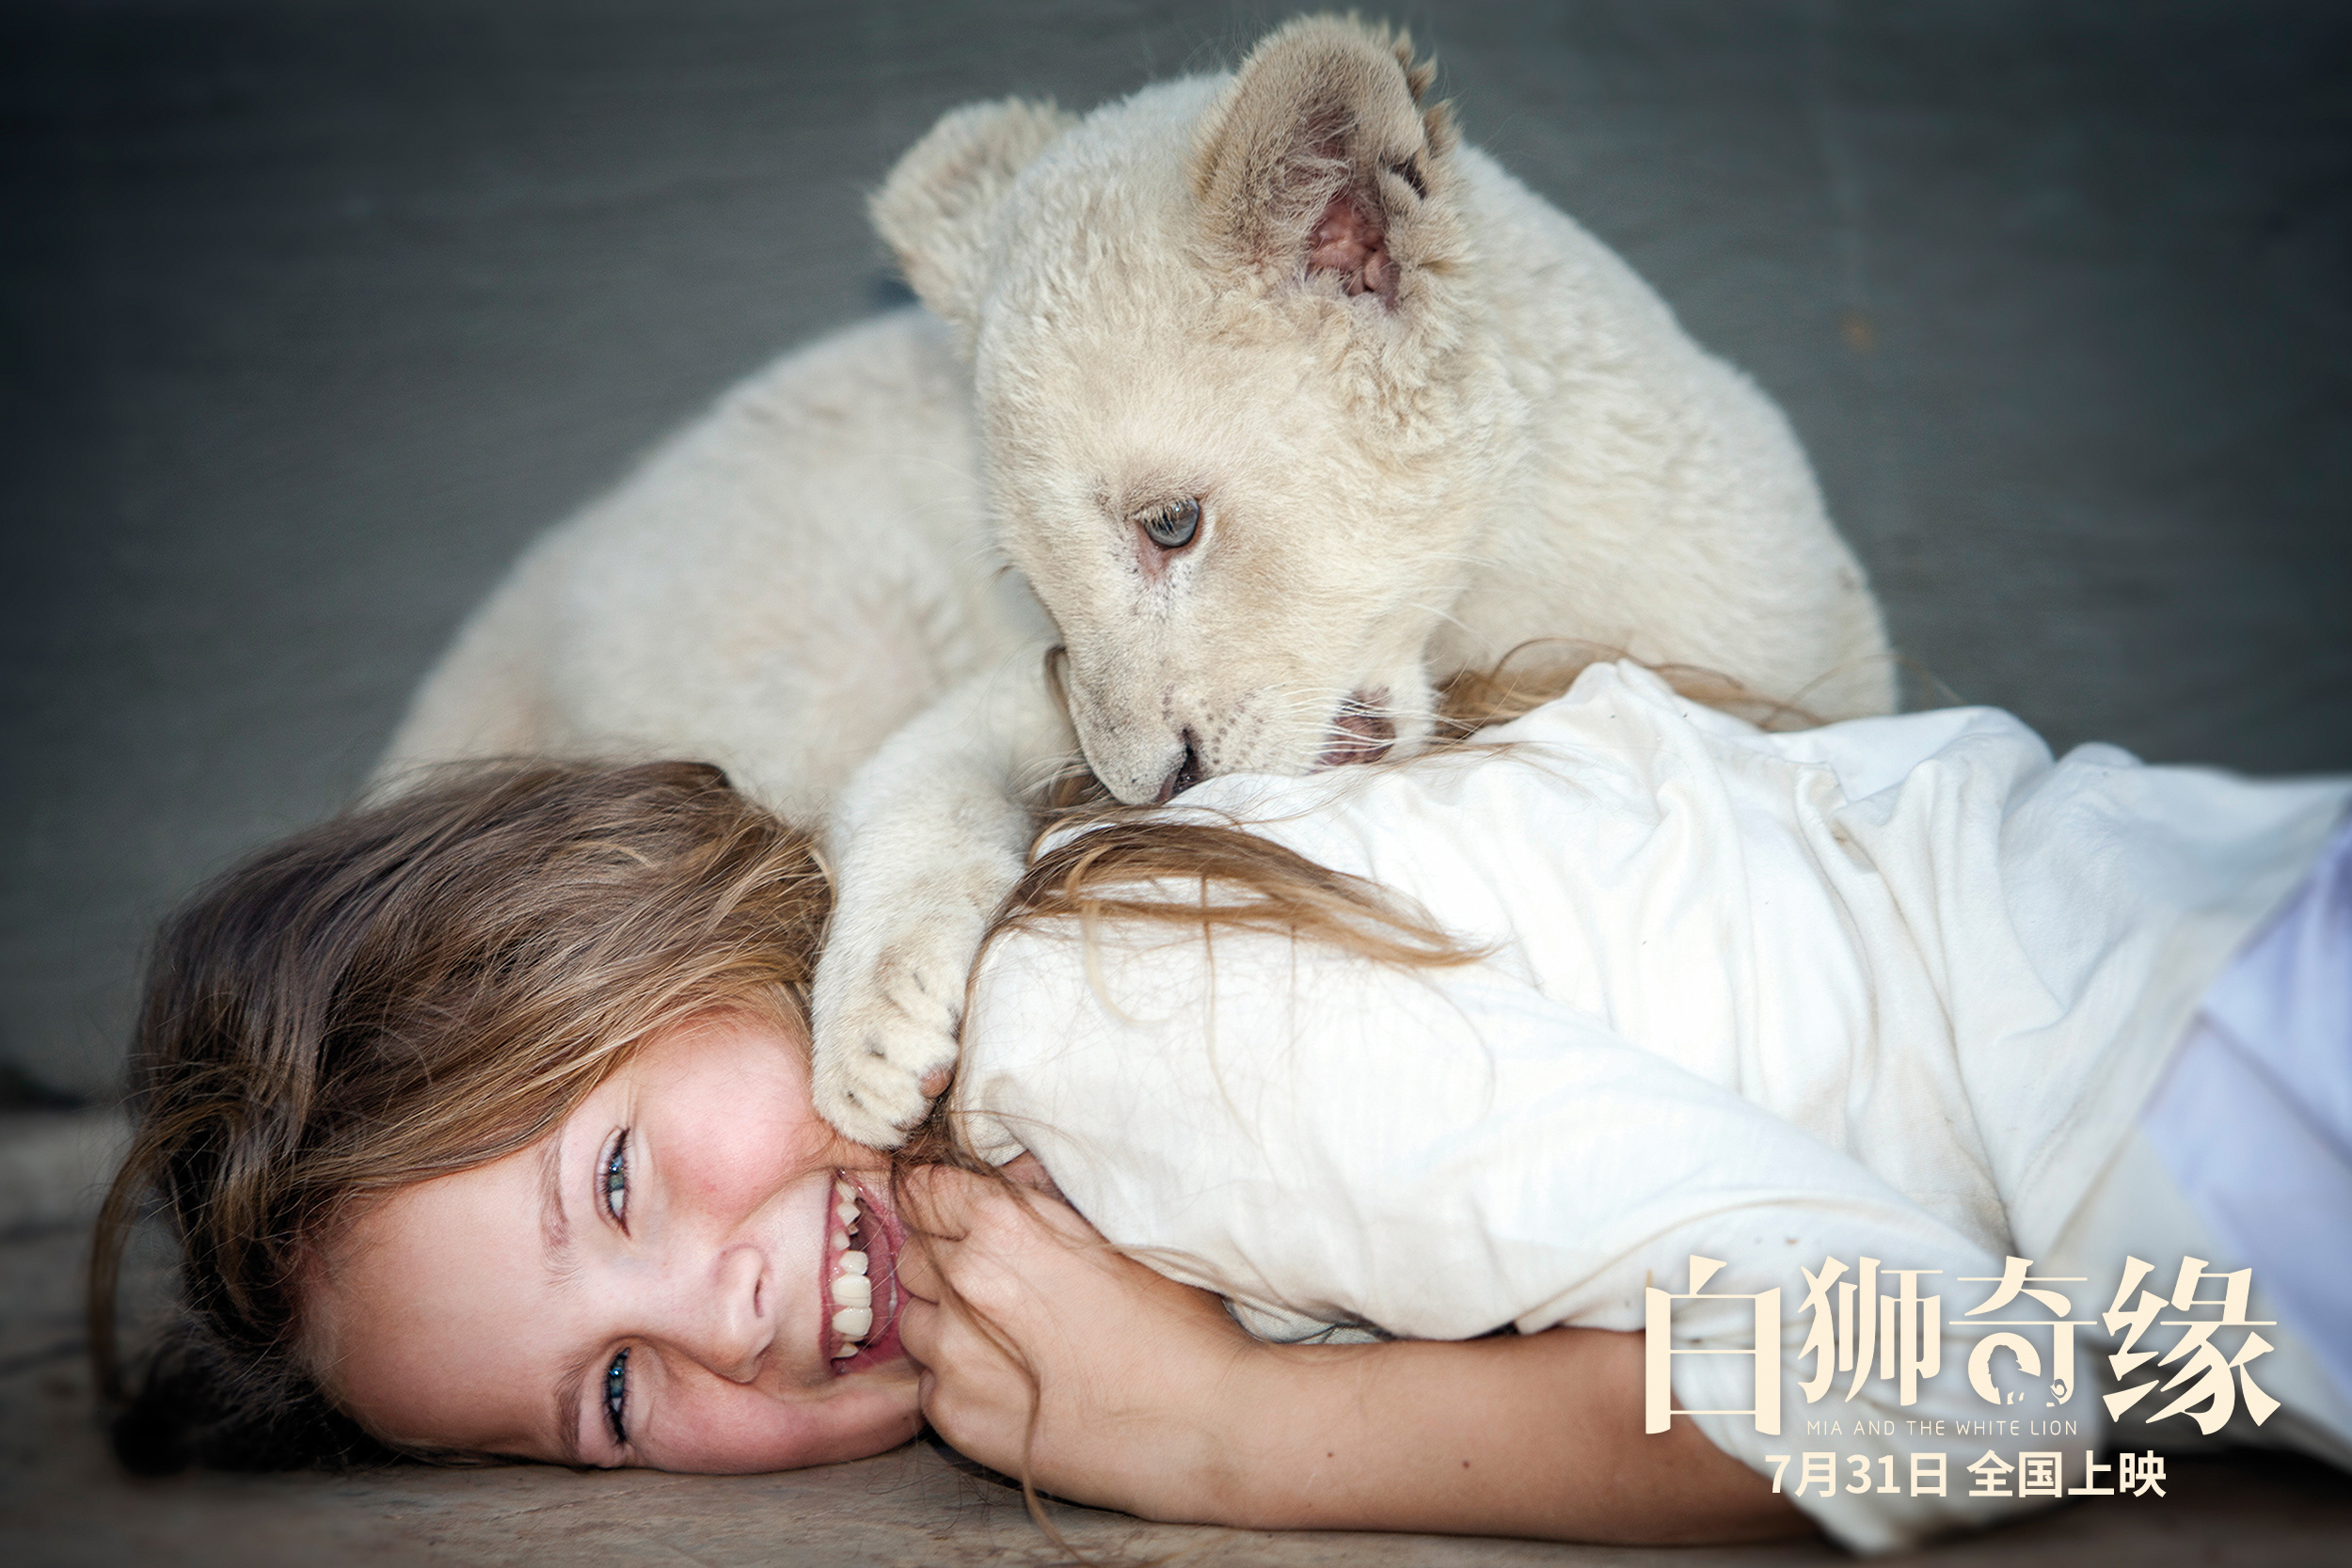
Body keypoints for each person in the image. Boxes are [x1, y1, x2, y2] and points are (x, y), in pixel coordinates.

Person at [90, 661, 2351, 1551]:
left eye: (617, 1177)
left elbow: (1969, 1376)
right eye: (605, 1397)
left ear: (656, 928)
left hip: (2232, 1064)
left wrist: (1230, 1439)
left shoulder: (1095, 1030)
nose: (731, 1312)